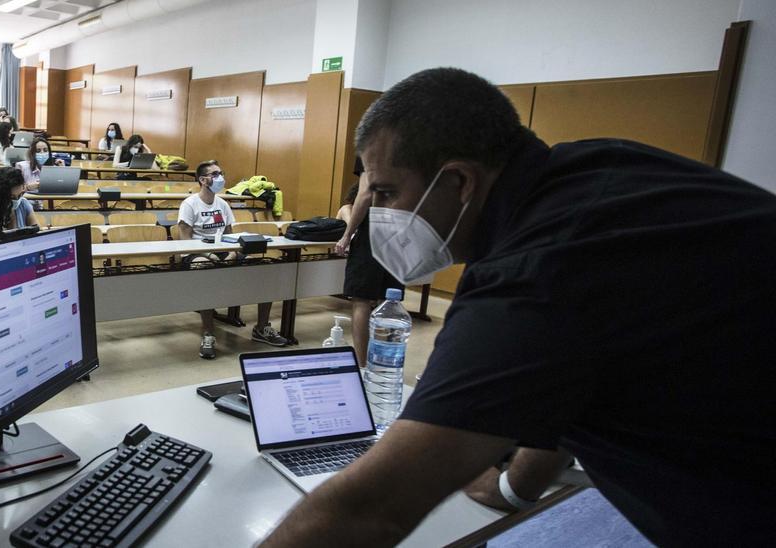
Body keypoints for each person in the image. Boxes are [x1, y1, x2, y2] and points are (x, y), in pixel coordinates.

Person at [260, 68, 776, 547]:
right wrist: (516, 487)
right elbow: (571, 372)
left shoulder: (535, 271)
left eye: (389, 193)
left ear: (459, 183)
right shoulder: (599, 170)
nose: (382, 215)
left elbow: (372, 509)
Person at [177, 160, 288, 359]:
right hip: (197, 253)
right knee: (204, 270)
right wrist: (209, 255)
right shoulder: (189, 204)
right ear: (203, 180)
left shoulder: (223, 204)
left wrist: (233, 253)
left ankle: (262, 328)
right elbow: (185, 243)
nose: (220, 177)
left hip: (224, 251)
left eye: (221, 173)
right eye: (215, 174)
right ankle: (208, 333)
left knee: (265, 268)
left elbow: (230, 235)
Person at [334, 156, 404, 367]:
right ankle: (384, 363)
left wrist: (348, 234)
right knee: (390, 302)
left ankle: (363, 365)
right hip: (403, 227)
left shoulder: (372, 145)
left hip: (375, 228)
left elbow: (364, 195)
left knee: (362, 299)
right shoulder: (415, 141)